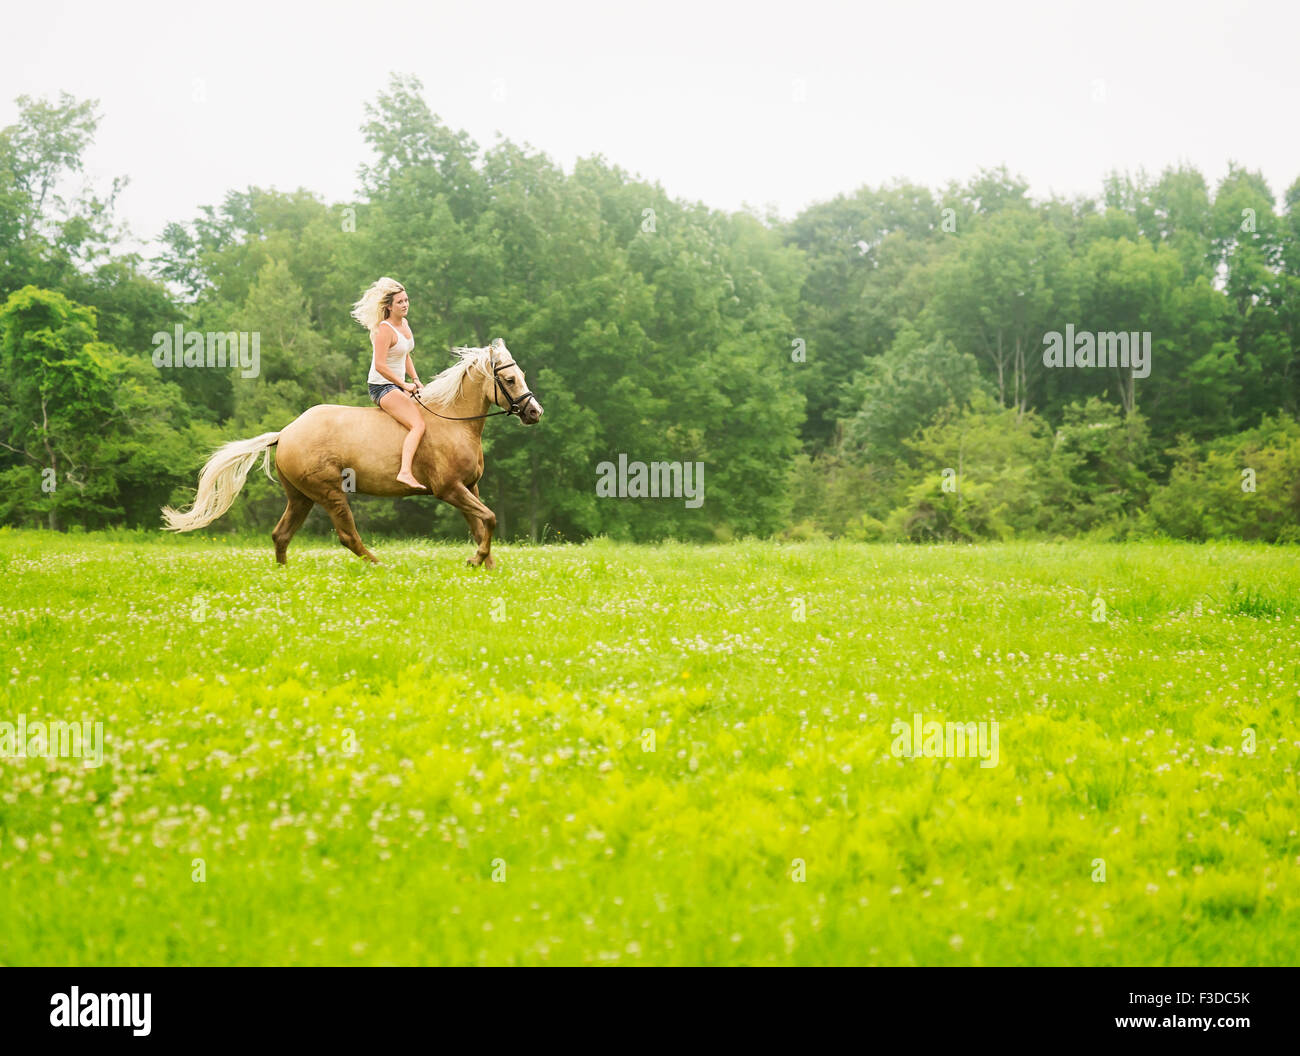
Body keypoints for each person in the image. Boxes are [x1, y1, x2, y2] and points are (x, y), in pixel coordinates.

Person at [350, 277, 427, 490]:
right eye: (400, 302)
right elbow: (380, 365)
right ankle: (404, 472)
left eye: (406, 300)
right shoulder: (384, 330)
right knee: (418, 424)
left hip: (399, 384)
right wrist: (404, 385)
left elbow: (405, 355)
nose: (405, 305)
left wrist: (416, 379)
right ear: (389, 307)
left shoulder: (404, 324)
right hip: (382, 387)